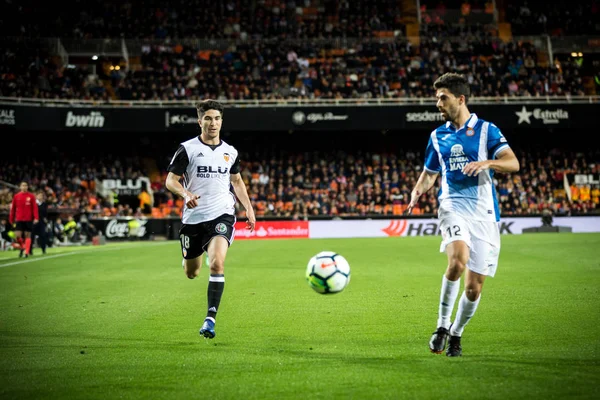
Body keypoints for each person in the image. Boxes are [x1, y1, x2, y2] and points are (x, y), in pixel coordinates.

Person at [406, 73, 520, 357]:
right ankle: (442, 326)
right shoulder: (437, 135)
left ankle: (456, 333)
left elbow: (513, 163)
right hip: (452, 206)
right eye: (436, 98)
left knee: (473, 288)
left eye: (442, 97)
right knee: (457, 261)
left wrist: (488, 163)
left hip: (484, 213)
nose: (438, 103)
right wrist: (417, 191)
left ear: (460, 99)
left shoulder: (486, 131)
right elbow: (430, 174)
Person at [165, 99, 256, 339]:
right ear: (199, 121)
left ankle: (210, 320)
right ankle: (193, 257)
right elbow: (170, 180)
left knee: (217, 264)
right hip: (194, 218)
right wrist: (186, 194)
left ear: (221, 121)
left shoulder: (230, 151)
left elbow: (236, 181)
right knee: (191, 273)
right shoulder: (188, 149)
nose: (213, 123)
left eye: (216, 118)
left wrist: (248, 207)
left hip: (222, 214)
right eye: (208, 118)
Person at [9, 181, 39, 258]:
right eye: (23, 185)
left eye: (25, 185)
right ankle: (23, 246)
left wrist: (36, 217)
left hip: (28, 219)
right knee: (17, 236)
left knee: (27, 236)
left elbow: (34, 208)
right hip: (19, 219)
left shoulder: (31, 196)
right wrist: (11, 219)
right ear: (20, 187)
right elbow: (13, 209)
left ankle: (26, 252)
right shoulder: (16, 196)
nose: (24, 187)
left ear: (27, 187)